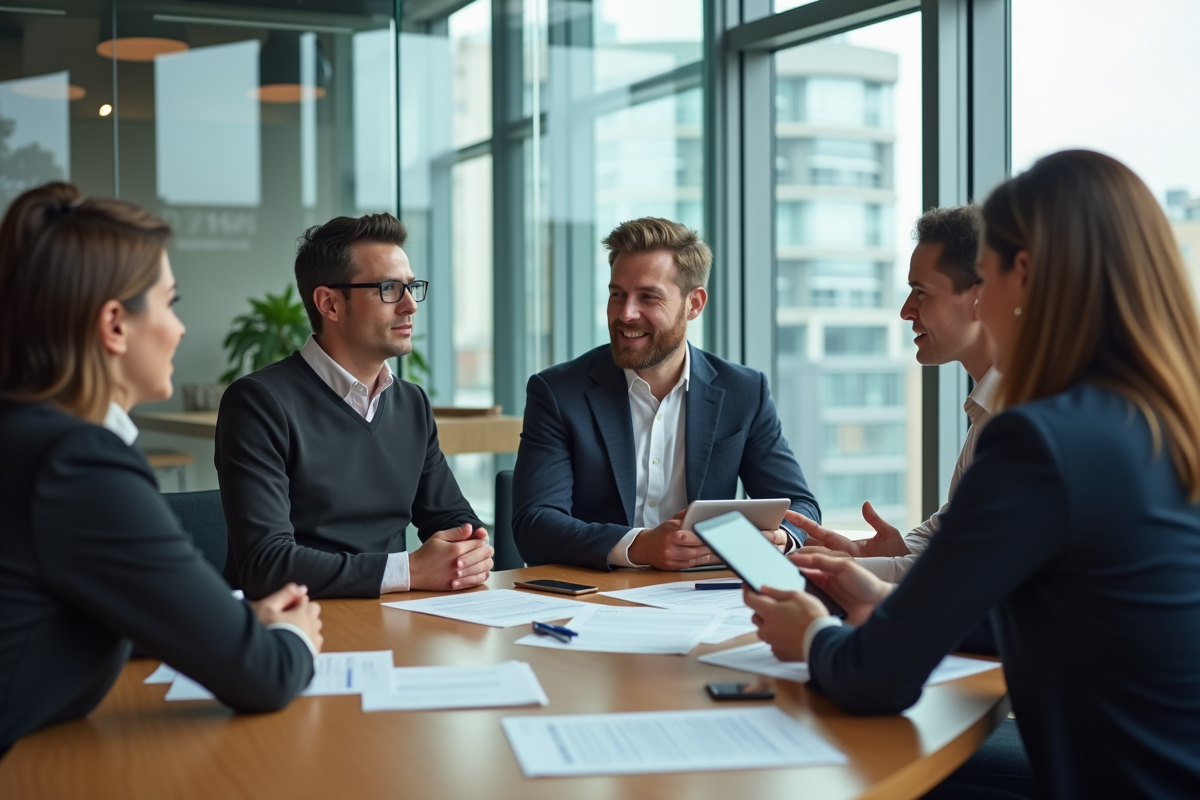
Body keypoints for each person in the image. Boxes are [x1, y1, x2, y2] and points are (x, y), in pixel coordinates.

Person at [746, 151, 1200, 798]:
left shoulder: (1041, 438)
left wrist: (809, 632)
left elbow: (876, 680)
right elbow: (1085, 609)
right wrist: (899, 602)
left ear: (1020, 275)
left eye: (984, 277)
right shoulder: (1161, 418)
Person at [0, 183, 322, 756]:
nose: (180, 328)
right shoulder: (76, 464)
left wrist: (235, 621)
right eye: (170, 303)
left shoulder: (26, 436)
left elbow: (86, 610)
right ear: (115, 325)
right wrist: (292, 640)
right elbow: (263, 676)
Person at [513, 217, 820, 571]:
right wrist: (639, 546)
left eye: (648, 297)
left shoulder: (745, 392)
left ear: (694, 304)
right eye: (617, 295)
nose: (626, 314)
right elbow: (533, 525)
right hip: (598, 596)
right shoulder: (558, 392)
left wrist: (781, 535)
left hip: (705, 599)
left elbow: (801, 507)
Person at [216, 213, 493, 600]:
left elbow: (454, 520)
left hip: (393, 618)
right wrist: (409, 570)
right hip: (291, 628)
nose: (411, 306)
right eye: (389, 289)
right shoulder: (258, 402)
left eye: (411, 288)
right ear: (329, 303)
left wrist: (470, 549)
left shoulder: (411, 403)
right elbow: (266, 565)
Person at [794, 205, 997, 583]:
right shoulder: (989, 405)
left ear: (980, 300)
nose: (906, 311)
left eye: (921, 293)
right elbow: (952, 529)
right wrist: (895, 553)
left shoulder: (1022, 413)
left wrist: (841, 571)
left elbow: (970, 573)